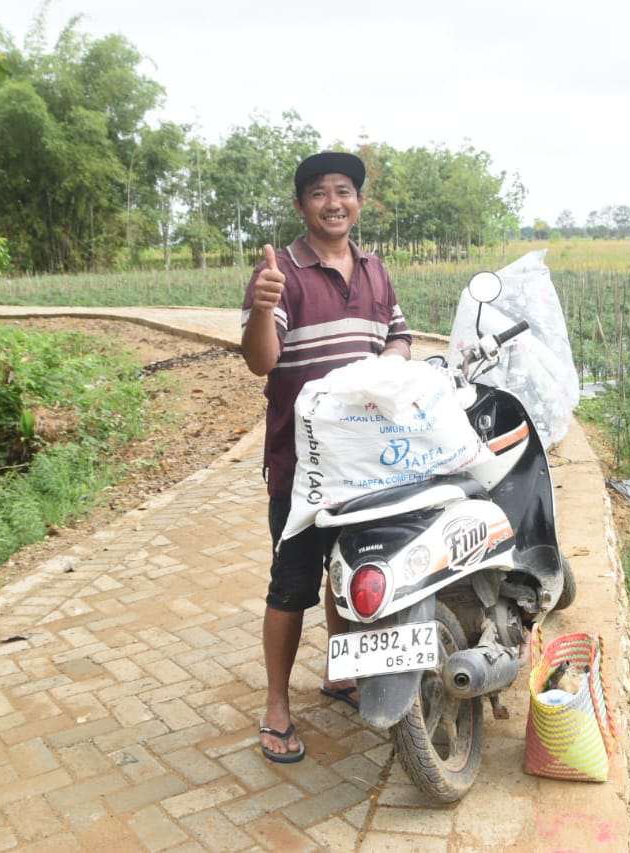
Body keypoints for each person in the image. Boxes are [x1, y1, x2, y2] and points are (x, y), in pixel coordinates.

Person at [241, 151, 412, 762]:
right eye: (319, 192)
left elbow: (400, 334)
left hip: (366, 466)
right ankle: (276, 707)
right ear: (301, 205)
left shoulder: (375, 269)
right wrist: (264, 307)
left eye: (344, 191)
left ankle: (341, 674)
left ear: (358, 203)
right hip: (301, 468)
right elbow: (260, 361)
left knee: (350, 574)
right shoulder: (280, 273)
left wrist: (387, 365)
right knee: (291, 585)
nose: (333, 202)